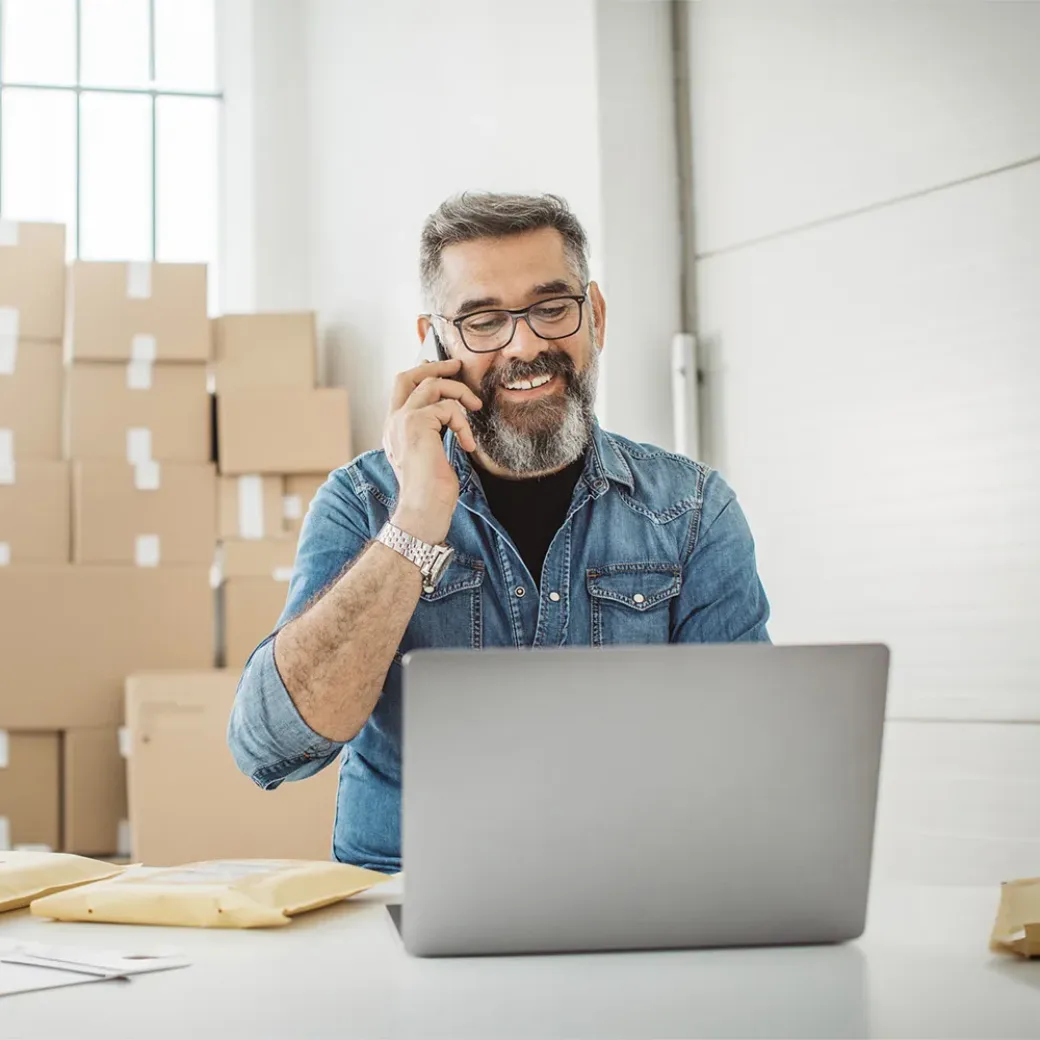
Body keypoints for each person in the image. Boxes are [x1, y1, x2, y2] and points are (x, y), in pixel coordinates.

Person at [228, 192, 770, 873]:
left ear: (594, 315)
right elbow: (272, 748)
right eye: (484, 320)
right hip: (408, 912)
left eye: (552, 308)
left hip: (626, 903)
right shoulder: (363, 503)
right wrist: (416, 521)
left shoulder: (692, 511)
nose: (526, 344)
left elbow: (746, 761)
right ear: (436, 340)